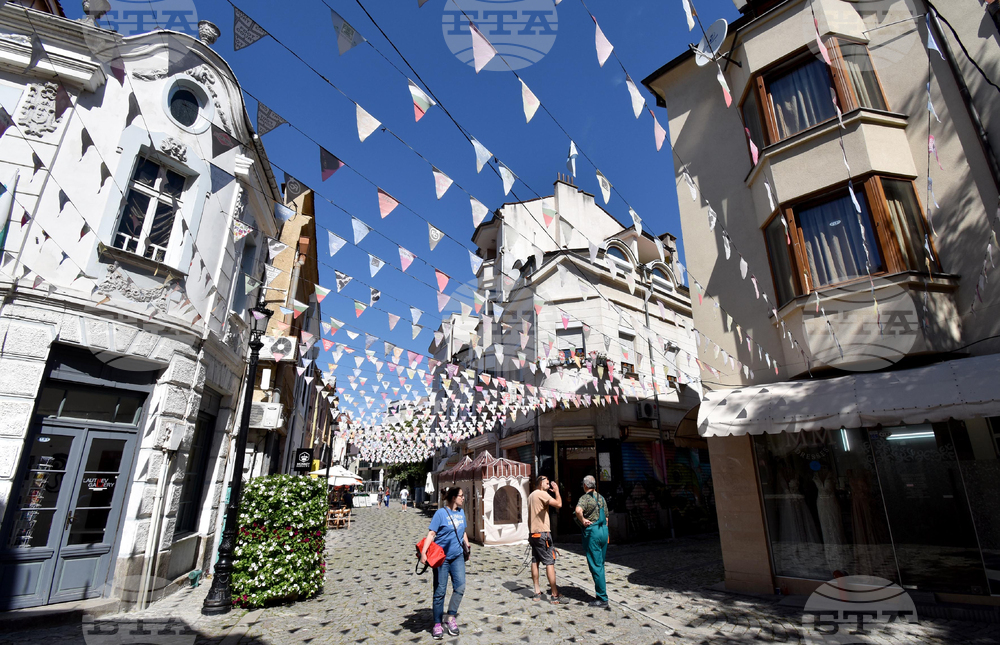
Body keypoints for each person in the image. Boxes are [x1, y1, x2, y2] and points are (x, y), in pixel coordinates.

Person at [419, 487, 470, 640]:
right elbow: (432, 533)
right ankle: (437, 623)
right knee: (440, 591)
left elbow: (463, 531)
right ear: (454, 497)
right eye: (461, 496)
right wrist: (423, 552)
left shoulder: (461, 513)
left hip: (457, 556)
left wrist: (467, 547)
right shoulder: (440, 514)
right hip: (441, 558)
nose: (463, 498)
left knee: (460, 586)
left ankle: (451, 616)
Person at [527, 475, 565, 604]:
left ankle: (537, 592)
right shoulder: (542, 494)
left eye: (550, 484)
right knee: (549, 562)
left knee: (535, 561)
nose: (549, 486)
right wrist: (557, 491)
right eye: (547, 483)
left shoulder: (531, 495)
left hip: (533, 533)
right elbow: (559, 504)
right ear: (540, 483)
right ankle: (554, 595)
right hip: (543, 534)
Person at [575, 475, 610, 608]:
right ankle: (602, 595)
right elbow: (606, 518)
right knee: (600, 563)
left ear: (585, 485)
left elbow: (578, 510)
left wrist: (583, 520)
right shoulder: (601, 498)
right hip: (603, 531)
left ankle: (602, 598)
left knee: (596, 566)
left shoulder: (584, 498)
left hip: (593, 532)